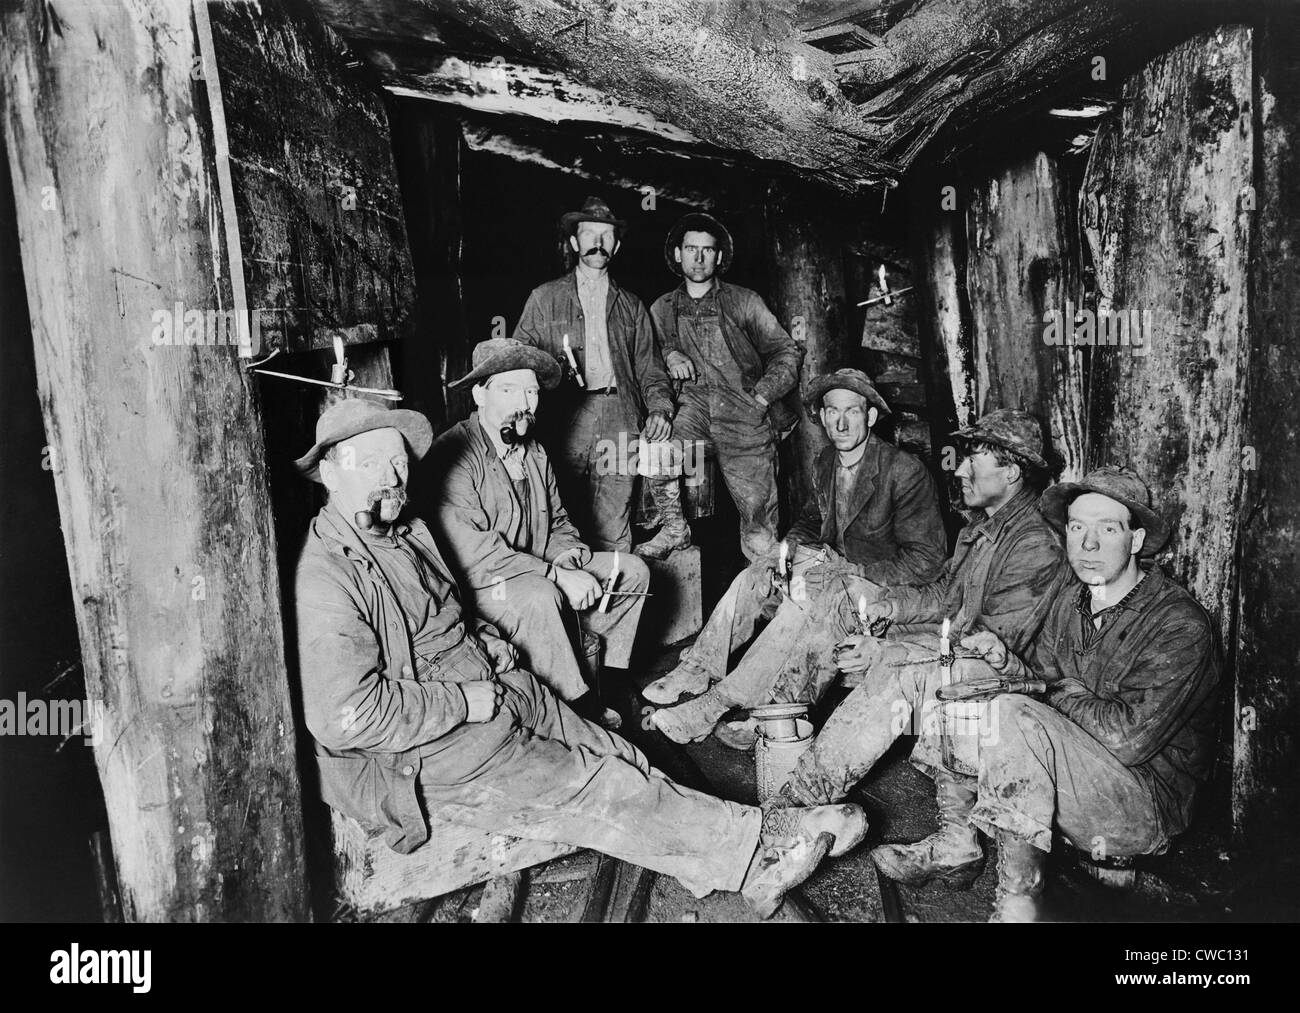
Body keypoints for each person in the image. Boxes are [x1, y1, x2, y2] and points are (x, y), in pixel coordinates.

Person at [291, 397, 869, 918]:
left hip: (496, 685)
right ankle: (758, 851)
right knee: (592, 785)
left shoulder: (407, 529)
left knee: (615, 748)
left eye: (397, 462)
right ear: (331, 472)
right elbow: (344, 715)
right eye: (372, 464)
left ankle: (706, 851)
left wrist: (497, 656)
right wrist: (464, 700)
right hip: (433, 747)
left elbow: (455, 614)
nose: (394, 476)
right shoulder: (328, 576)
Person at [780, 466, 1218, 921]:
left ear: (1138, 540)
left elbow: (1126, 738)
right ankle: (817, 808)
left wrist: (1045, 689)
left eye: (1108, 529)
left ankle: (1017, 907)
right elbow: (1039, 680)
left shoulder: (1178, 624)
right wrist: (1006, 663)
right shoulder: (1074, 600)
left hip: (1135, 808)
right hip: (1060, 771)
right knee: (954, 677)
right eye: (1076, 527)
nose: (1088, 544)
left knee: (1010, 710)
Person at [646, 369, 947, 745]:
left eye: (852, 411)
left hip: (878, 587)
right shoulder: (825, 462)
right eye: (832, 411)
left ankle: (720, 704)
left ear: (870, 416)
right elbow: (811, 520)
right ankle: (698, 668)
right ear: (821, 416)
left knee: (800, 602)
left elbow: (927, 561)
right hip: (834, 569)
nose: (841, 422)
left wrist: (850, 570)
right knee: (754, 576)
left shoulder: (904, 472)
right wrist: (784, 553)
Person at [429, 338, 646, 730]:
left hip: (542, 566)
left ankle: (608, 681)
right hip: (482, 586)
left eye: (531, 391)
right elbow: (474, 555)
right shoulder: (454, 453)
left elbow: (559, 521)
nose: (524, 403)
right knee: (540, 596)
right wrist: (557, 576)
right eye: (509, 390)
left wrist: (567, 557)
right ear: (480, 394)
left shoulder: (534, 451)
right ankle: (579, 712)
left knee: (632, 570)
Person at [638, 212, 804, 561]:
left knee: (759, 526)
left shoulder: (744, 301)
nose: (699, 258)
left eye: (707, 251)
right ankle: (674, 529)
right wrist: (669, 356)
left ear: (719, 257)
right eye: (691, 249)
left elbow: (786, 351)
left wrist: (762, 396)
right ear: (677, 255)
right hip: (694, 410)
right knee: (655, 448)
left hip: (743, 415)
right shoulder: (661, 309)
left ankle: (764, 594)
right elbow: (649, 365)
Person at [513, 196, 675, 553]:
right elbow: (519, 360)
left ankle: (615, 603)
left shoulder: (631, 305)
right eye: (590, 234)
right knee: (556, 512)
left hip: (619, 415)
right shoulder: (544, 298)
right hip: (564, 415)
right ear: (575, 243)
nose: (598, 243)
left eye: (606, 235)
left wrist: (660, 408)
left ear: (616, 246)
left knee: (613, 519)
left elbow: (651, 368)